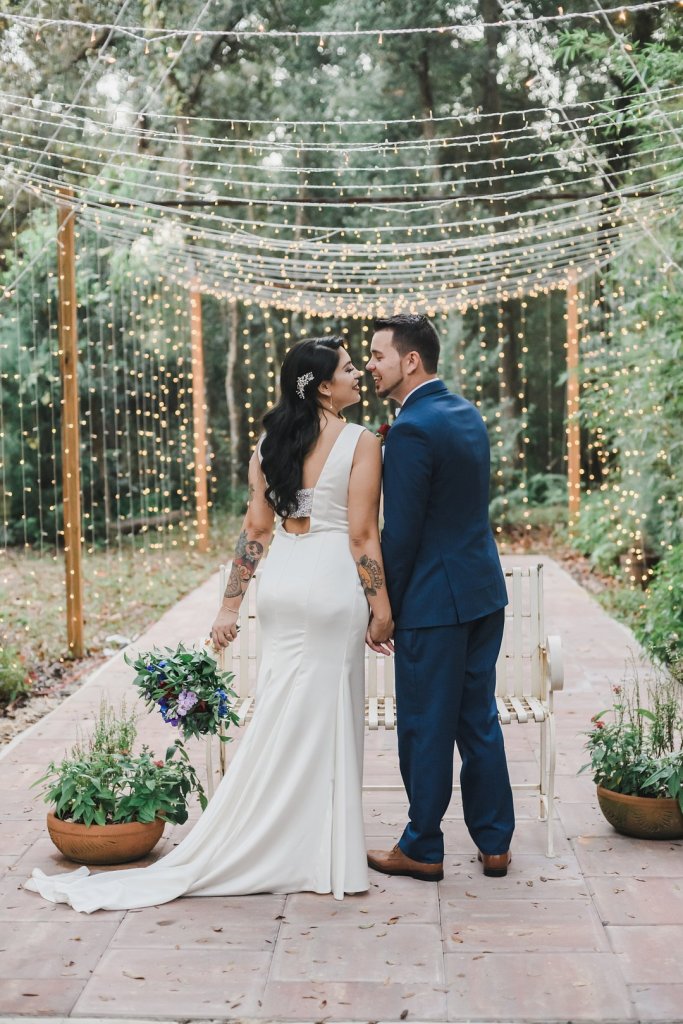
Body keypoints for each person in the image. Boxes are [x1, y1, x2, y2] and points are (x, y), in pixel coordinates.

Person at [25, 337, 393, 912]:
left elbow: (255, 533)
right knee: (327, 718)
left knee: (281, 713)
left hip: (282, 586)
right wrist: (382, 605)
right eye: (348, 369)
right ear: (323, 385)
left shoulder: (271, 444)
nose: (357, 376)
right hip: (330, 586)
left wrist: (230, 606)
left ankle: (279, 838)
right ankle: (320, 853)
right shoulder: (362, 442)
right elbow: (362, 535)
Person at [364, 314, 514, 883]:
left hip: (433, 602)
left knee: (425, 724)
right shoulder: (466, 413)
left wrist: (385, 607)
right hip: (481, 592)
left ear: (411, 361)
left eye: (378, 355)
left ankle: (423, 845)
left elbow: (399, 533)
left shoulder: (411, 429)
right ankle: (495, 843)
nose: (371, 365)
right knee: (478, 719)